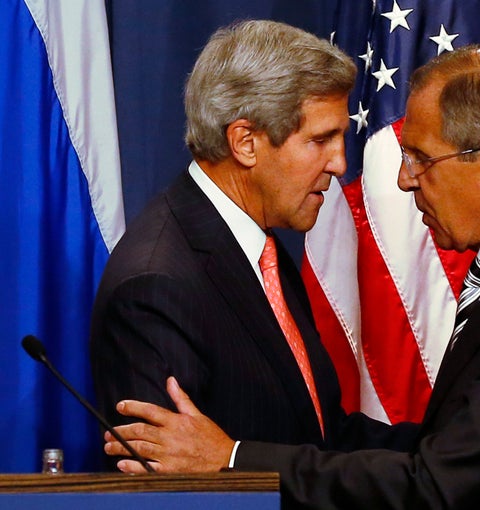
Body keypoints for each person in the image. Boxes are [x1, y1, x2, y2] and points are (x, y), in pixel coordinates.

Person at [104, 45, 480, 509]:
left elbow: (438, 482)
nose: (401, 179)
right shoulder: (166, 278)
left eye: (422, 158)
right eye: (320, 139)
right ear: (246, 141)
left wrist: (232, 458)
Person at [90, 19, 416, 461]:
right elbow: (170, 486)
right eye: (320, 140)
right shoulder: (155, 286)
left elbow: (319, 436)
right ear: (245, 142)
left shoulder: (258, 248)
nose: (340, 163)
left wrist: (453, 454)